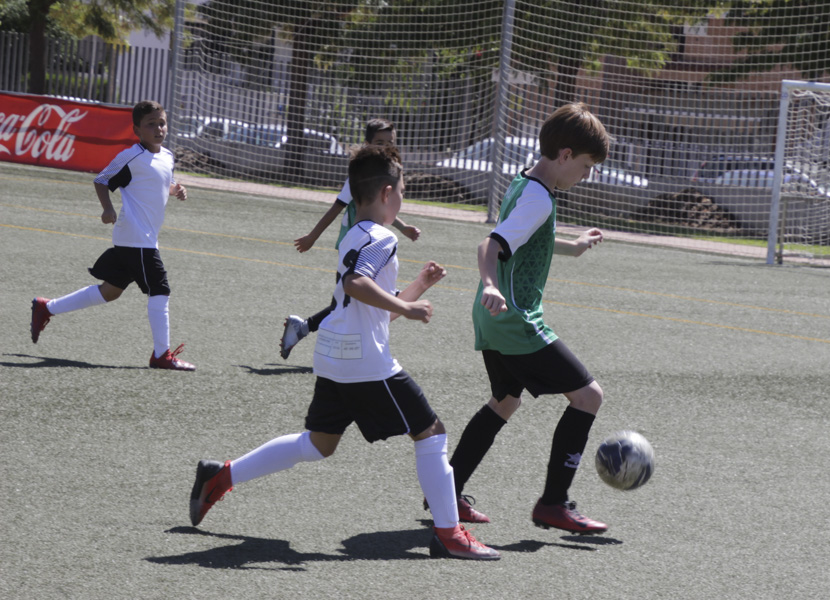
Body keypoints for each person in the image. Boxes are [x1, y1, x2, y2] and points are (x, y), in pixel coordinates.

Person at [188, 144, 499, 561]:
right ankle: (449, 534)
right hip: (365, 363)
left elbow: (368, 308)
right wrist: (407, 306)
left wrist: (417, 288)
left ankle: (221, 475)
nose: (403, 197)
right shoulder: (383, 237)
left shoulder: (354, 232)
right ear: (387, 193)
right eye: (403, 189)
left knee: (318, 444)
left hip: (334, 353)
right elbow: (356, 283)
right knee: (432, 433)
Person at [443, 103, 610, 534]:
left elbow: (524, 236)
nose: (588, 176)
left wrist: (573, 246)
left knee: (505, 401)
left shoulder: (526, 182)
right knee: (589, 397)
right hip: (514, 318)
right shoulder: (538, 198)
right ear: (566, 154)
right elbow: (491, 244)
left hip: (490, 318)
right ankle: (554, 504)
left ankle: (447, 491)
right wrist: (492, 283)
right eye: (588, 165)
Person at [30, 100, 195, 371]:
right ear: (136, 130)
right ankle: (161, 355)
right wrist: (107, 208)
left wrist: (176, 189)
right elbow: (102, 179)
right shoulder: (131, 156)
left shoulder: (167, 155)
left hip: (143, 238)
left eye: (162, 122)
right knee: (160, 289)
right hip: (135, 236)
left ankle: (47, 307)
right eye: (150, 124)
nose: (158, 128)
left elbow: (158, 183)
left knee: (110, 292)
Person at [281, 118, 421, 359]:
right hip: (357, 242)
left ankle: (307, 329)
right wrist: (313, 236)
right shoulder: (361, 178)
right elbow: (336, 209)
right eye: (379, 143)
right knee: (353, 297)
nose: (385, 148)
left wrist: (403, 226)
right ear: (367, 144)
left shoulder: (389, 174)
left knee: (351, 300)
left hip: (370, 241)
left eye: (390, 143)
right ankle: (313, 332)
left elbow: (383, 209)